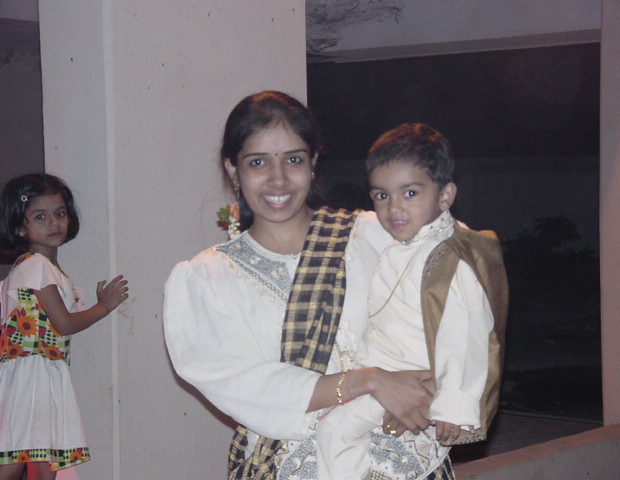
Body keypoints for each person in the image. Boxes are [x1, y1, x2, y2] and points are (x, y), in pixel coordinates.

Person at [163, 92, 445, 480]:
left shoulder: (378, 234)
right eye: (258, 162)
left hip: (405, 458)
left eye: (293, 159)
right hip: (293, 467)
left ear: (313, 163)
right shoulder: (208, 279)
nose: (278, 179)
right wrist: (369, 381)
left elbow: (456, 299)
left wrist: (431, 390)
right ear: (233, 170)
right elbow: (247, 385)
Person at [315, 123, 509, 480]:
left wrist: (454, 404)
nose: (393, 209)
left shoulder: (447, 259)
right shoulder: (407, 246)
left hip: (415, 382)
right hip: (384, 375)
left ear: (445, 196)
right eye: (382, 196)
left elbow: (466, 335)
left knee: (334, 431)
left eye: (410, 193)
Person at [0, 173, 129, 479]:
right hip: (29, 372)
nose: (53, 223)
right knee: (16, 456)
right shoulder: (35, 265)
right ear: (20, 227)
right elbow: (64, 323)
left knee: (41, 458)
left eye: (59, 214)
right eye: (40, 216)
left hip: (42, 370)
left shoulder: (49, 269)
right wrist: (104, 306)